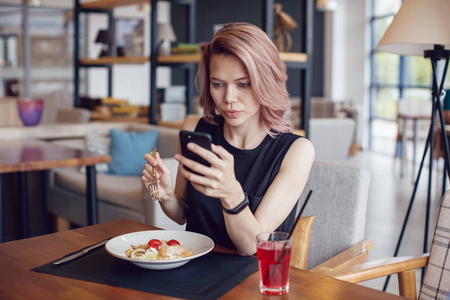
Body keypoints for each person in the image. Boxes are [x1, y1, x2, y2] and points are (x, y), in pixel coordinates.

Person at [142, 22, 314, 256]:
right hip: (194, 269)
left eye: (243, 84)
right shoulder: (195, 129)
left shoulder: (296, 151)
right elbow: (182, 214)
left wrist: (232, 194)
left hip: (254, 282)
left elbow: (251, 246)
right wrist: (165, 195)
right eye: (218, 84)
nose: (229, 98)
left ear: (267, 81)